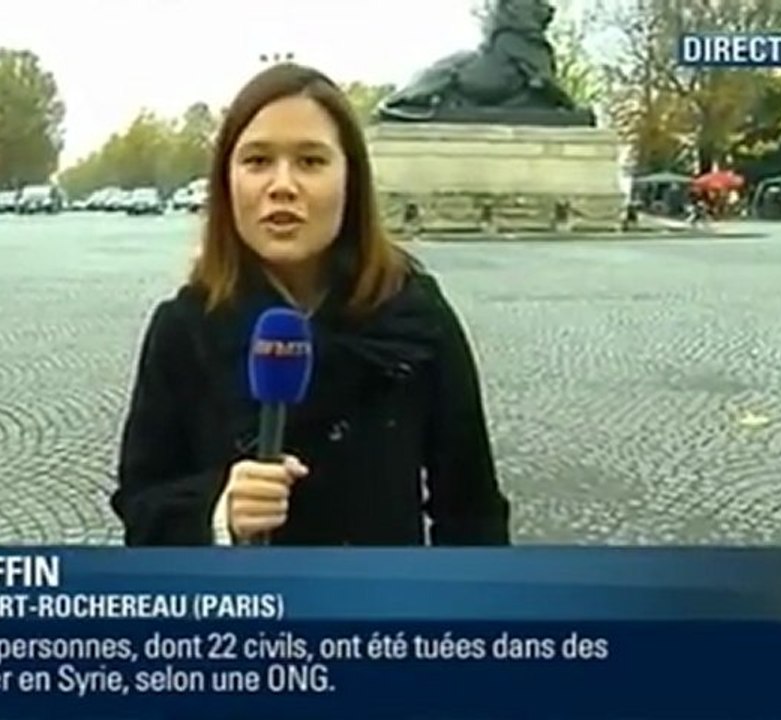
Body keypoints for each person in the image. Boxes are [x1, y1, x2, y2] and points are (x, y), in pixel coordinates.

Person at [111, 62, 511, 547]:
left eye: (311, 161)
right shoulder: (184, 329)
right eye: (257, 161)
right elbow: (142, 503)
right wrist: (219, 512)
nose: (282, 185)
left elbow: (472, 508)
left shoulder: (416, 318)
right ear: (226, 182)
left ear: (351, 180)